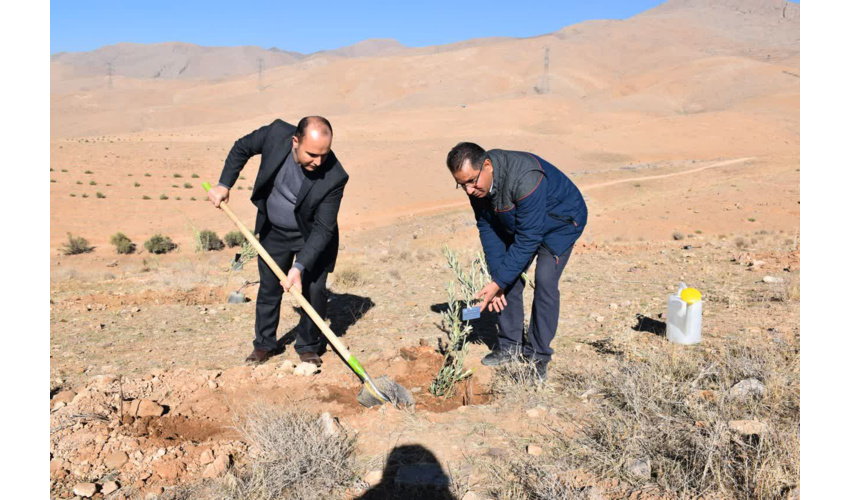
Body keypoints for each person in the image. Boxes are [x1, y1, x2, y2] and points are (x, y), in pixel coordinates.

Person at [207, 116, 348, 367]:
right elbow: (242, 147)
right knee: (269, 288)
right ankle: (264, 344)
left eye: (324, 155)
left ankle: (308, 345)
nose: (319, 162)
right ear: (295, 141)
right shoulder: (275, 134)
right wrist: (223, 184)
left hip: (311, 237)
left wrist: (299, 267)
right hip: (274, 231)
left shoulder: (334, 176)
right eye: (312, 154)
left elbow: (324, 229)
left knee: (314, 291)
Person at [446, 142, 587, 380]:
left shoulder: (526, 178)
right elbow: (487, 227)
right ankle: (510, 346)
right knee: (505, 276)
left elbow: (529, 238)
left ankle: (538, 356)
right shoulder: (479, 187)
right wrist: (498, 279)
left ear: (487, 166)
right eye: (462, 185)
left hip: (560, 223)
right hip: (519, 221)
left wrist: (500, 280)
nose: (469, 190)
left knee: (545, 281)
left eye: (471, 181)